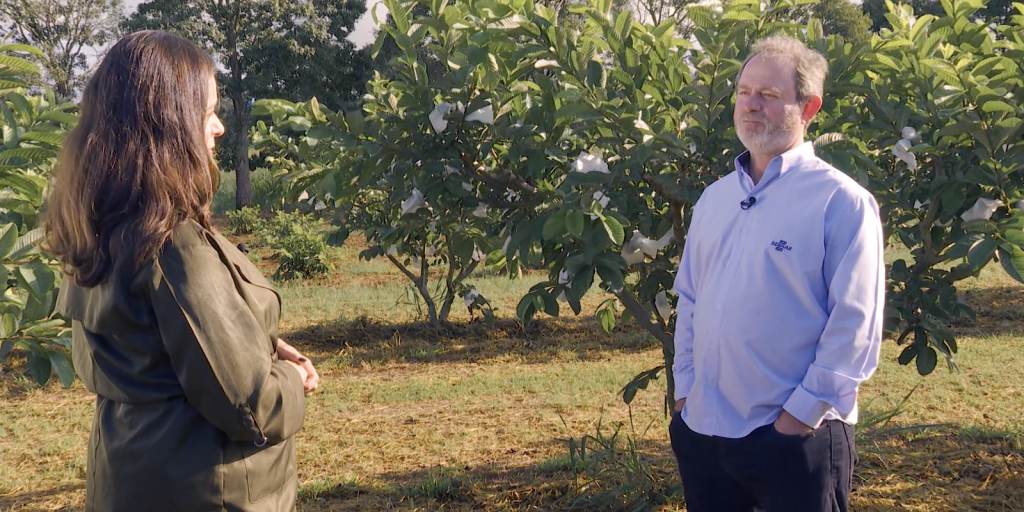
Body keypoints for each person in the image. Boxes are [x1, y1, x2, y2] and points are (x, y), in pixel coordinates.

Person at [44, 30, 319, 512]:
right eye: (207, 111)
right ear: (166, 124)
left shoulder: (98, 226)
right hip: (203, 491)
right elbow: (251, 409)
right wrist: (293, 378)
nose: (218, 128)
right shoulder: (172, 245)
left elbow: (148, 347)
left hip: (129, 476)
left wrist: (257, 341)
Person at [669, 34, 885, 512]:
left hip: (793, 441)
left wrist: (794, 422)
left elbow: (854, 329)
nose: (751, 106)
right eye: (744, 92)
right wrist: (685, 396)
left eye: (768, 95)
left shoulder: (840, 202)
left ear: (808, 108)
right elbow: (692, 301)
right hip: (704, 436)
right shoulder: (714, 199)